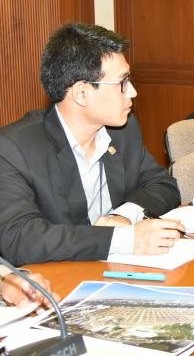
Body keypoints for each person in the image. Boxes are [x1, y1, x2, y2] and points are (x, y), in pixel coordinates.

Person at [0, 23, 183, 265]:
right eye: (122, 83)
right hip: (57, 279)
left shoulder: (123, 130)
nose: (133, 92)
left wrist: (122, 216)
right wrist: (123, 240)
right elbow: (18, 238)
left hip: (117, 272)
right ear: (81, 93)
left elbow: (163, 185)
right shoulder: (13, 148)